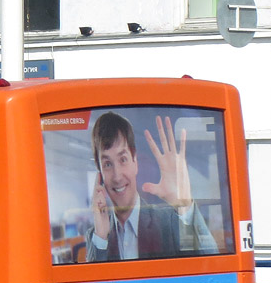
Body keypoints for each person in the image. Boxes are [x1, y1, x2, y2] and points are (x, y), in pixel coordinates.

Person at [85, 111, 217, 261]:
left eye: (123, 159)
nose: (117, 176)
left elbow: (213, 263)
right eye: (107, 164)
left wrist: (185, 205)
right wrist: (101, 237)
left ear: (135, 161)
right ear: (99, 172)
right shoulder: (95, 236)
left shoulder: (169, 221)